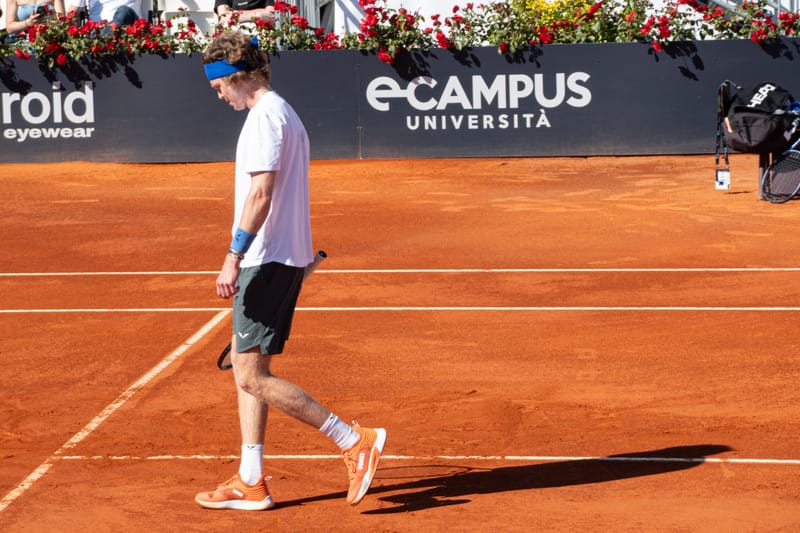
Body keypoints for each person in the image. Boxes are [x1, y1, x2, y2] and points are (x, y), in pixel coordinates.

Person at [194, 30, 386, 511]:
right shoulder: (284, 113)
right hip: (281, 258)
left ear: (236, 77)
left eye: (218, 87)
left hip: (265, 259)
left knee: (250, 375)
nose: (218, 97)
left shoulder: (264, 118)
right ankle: (251, 479)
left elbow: (260, 194)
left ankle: (354, 440)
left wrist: (233, 256)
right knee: (249, 368)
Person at [66, 0, 141, 29]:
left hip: (129, 31)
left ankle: (109, 32)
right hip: (99, 31)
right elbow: (72, 12)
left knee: (124, 12)